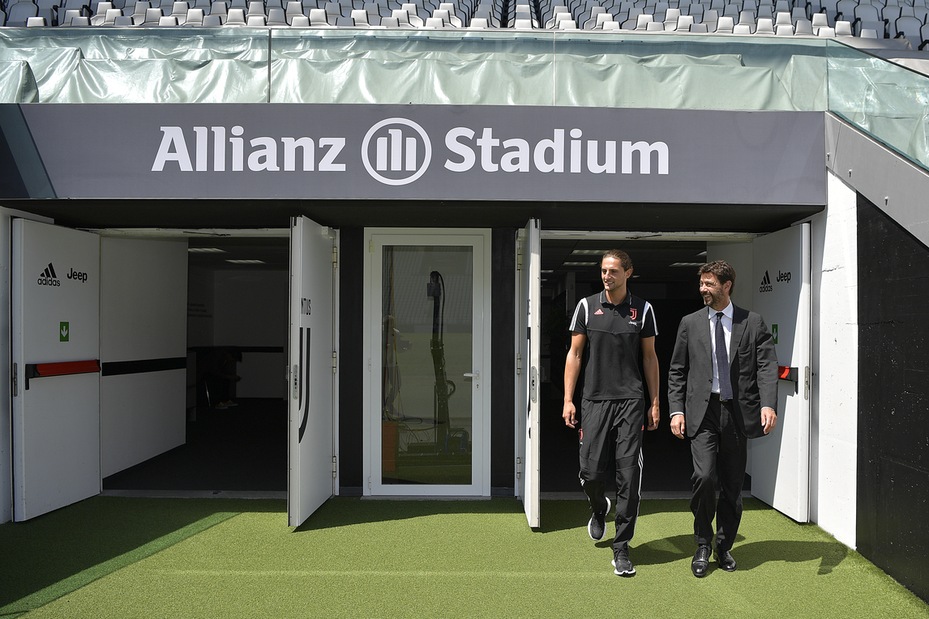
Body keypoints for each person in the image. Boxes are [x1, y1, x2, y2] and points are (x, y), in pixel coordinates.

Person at [667, 260, 778, 578]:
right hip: (702, 412)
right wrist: (677, 409)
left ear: (726, 285)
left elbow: (767, 366)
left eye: (708, 283)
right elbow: (677, 369)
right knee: (704, 477)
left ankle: (723, 545)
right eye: (701, 283)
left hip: (737, 413)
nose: (702, 289)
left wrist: (768, 405)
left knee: (732, 485)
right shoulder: (690, 323)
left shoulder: (752, 322)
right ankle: (702, 543)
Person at [563, 249, 660, 577]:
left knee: (628, 477)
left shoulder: (643, 310)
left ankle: (621, 548)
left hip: (630, 403)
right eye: (604, 270)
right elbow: (575, 354)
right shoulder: (586, 307)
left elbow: (650, 358)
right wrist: (568, 399)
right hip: (594, 401)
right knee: (590, 472)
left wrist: (655, 401)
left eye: (614, 271)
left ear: (628, 272)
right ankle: (597, 506)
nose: (607, 276)